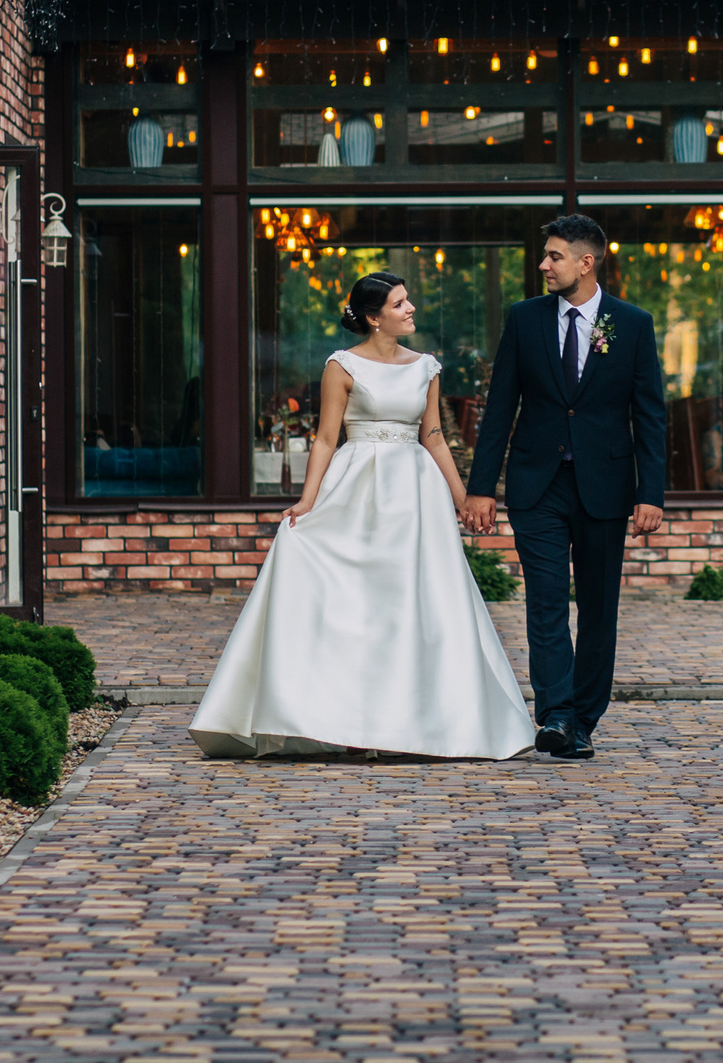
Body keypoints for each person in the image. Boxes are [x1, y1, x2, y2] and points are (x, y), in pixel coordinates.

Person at [189, 272, 534, 760]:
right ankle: (343, 721)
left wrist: (462, 496)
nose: (411, 308)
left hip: (414, 492)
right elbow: (327, 438)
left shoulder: (427, 367)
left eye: (408, 300)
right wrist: (307, 502)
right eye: (399, 303)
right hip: (356, 486)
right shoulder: (342, 366)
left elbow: (432, 435)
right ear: (374, 318)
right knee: (358, 604)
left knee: (415, 600)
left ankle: (421, 721)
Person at [463, 214, 667, 759]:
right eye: (544, 255)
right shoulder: (525, 319)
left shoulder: (632, 323)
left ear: (586, 261)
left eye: (554, 256)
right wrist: (480, 487)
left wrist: (652, 493)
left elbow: (650, 416)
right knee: (546, 602)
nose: (544, 264)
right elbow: (500, 406)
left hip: (605, 487)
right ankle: (554, 715)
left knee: (599, 607)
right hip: (538, 485)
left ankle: (583, 718)